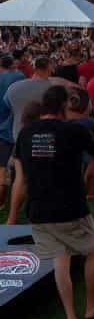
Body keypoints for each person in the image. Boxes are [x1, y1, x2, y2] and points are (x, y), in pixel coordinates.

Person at [9, 86, 94, 319]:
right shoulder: (74, 130)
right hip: (70, 206)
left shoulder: (25, 134)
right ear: (65, 105)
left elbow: (20, 181)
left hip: (39, 209)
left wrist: (12, 216)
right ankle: (91, 307)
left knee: (60, 261)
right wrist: (87, 181)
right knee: (92, 251)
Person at [0, 54, 26, 208]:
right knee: (19, 164)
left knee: (2, 167)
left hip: (3, 126)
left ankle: (2, 202)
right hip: (17, 122)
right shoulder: (19, 76)